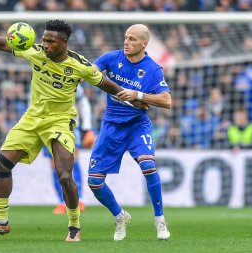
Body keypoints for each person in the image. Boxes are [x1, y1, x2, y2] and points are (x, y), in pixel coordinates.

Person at [0, 20, 146, 242]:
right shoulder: (35, 52)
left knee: (64, 175)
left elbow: (106, 84)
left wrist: (133, 99)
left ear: (63, 43)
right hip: (32, 119)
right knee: (2, 164)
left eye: (50, 41)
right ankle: (0, 222)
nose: (44, 44)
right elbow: (5, 44)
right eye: (44, 39)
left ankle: (74, 225)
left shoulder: (80, 66)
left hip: (60, 122)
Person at [87, 24, 172, 241]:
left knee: (148, 165)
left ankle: (160, 220)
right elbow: (89, 73)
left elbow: (166, 100)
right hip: (111, 126)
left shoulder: (153, 69)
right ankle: (120, 216)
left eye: (132, 39)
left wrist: (139, 95)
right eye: (126, 37)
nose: (126, 42)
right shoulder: (111, 58)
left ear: (144, 43)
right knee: (94, 182)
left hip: (137, 125)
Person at [44, 86, 94, 214]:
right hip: (46, 127)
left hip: (69, 125)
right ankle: (62, 201)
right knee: (54, 165)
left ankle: (79, 199)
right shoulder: (39, 78)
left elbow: (82, 102)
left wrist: (87, 127)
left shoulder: (71, 77)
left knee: (72, 162)